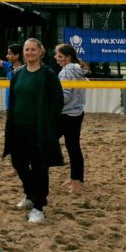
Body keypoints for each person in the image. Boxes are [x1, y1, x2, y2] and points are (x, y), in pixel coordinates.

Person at [3, 38, 64, 223]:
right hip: (18, 128)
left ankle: (39, 206)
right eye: (26, 50)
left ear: (40, 52)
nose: (29, 52)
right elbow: (13, 100)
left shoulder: (48, 74)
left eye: (32, 50)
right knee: (18, 163)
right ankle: (30, 195)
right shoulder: (18, 73)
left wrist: (48, 122)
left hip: (38, 130)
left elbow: (57, 102)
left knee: (39, 167)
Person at [55, 43, 86, 194]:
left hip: (66, 114)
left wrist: (50, 100)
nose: (56, 58)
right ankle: (77, 179)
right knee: (73, 147)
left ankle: (76, 183)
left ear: (68, 57)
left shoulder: (66, 72)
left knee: (46, 140)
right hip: (77, 112)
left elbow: (65, 96)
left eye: (59, 56)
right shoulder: (79, 69)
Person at [0, 38, 23, 109]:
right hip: (9, 103)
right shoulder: (9, 66)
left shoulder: (24, 69)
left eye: (9, 54)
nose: (6, 56)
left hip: (19, 104)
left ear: (17, 55)